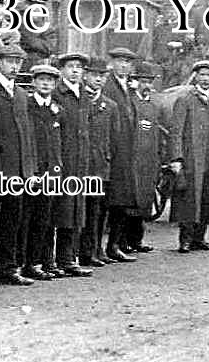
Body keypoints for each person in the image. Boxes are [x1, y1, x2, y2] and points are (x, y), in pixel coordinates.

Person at [0, 44, 36, 287]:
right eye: (10, 61)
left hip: (17, 169)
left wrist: (29, 169)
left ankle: (7, 268)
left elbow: (27, 134)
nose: (15, 66)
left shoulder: (22, 95)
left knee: (12, 221)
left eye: (18, 61)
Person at [168, 60, 209, 253]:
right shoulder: (185, 100)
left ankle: (200, 237)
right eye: (202, 75)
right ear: (196, 77)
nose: (206, 79)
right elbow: (176, 131)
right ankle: (185, 239)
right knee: (189, 198)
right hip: (192, 158)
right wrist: (176, 158)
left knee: (207, 196)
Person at [51, 52, 93, 277]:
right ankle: (49, 261)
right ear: (62, 70)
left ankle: (67, 258)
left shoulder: (84, 95)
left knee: (75, 211)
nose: (76, 71)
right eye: (71, 67)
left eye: (79, 67)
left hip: (79, 161)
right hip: (63, 161)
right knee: (57, 212)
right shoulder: (57, 94)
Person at [23, 63, 64, 280]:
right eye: (41, 80)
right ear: (33, 82)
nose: (46, 84)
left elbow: (58, 143)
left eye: (50, 81)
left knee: (45, 219)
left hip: (51, 173)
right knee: (28, 218)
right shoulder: (27, 107)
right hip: (33, 172)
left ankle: (41, 261)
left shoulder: (56, 110)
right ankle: (27, 262)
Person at [101, 47, 140, 261]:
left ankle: (115, 244)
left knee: (121, 201)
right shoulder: (108, 86)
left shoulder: (127, 88)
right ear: (112, 63)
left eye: (128, 62)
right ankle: (102, 247)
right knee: (107, 202)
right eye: (120, 62)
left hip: (126, 152)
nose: (124, 66)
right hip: (114, 151)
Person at [125, 60, 167, 253]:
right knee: (130, 200)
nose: (146, 85)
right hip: (133, 158)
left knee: (144, 200)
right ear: (135, 81)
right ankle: (123, 241)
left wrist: (158, 158)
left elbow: (157, 133)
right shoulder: (129, 101)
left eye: (149, 81)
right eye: (142, 81)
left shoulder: (153, 105)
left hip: (149, 159)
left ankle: (137, 240)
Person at [78, 56, 114, 266]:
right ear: (86, 76)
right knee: (76, 211)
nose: (98, 79)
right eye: (94, 75)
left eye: (102, 76)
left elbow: (114, 139)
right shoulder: (79, 99)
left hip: (99, 165)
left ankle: (92, 250)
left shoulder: (109, 106)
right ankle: (75, 252)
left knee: (96, 211)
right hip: (79, 165)